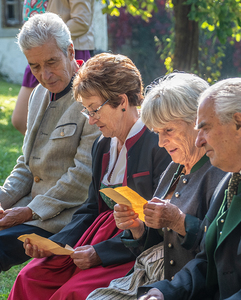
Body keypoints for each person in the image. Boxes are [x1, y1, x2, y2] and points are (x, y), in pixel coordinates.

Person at [8, 53, 171, 300]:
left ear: (122, 101)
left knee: (72, 293)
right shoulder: (102, 146)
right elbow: (89, 209)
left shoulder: (157, 145)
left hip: (130, 248)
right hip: (90, 238)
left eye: (94, 110)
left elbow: (157, 227)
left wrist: (100, 253)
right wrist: (55, 245)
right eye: (87, 111)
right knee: (30, 278)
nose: (92, 120)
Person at [137, 77, 241, 300]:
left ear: (239, 124)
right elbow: (208, 262)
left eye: (205, 128)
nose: (198, 141)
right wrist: (164, 293)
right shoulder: (234, 176)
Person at [86, 73, 226, 300]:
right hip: (148, 279)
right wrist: (137, 228)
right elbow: (157, 245)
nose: (161, 142)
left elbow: (220, 250)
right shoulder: (175, 168)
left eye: (168, 130)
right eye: (157, 133)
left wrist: (179, 221)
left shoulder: (220, 172)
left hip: (185, 290)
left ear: (197, 122)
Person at [0, 12, 100, 272]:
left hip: (63, 218)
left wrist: (28, 212)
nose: (45, 74)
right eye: (34, 67)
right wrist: (3, 199)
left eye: (52, 62)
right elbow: (26, 163)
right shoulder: (37, 96)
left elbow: (82, 178)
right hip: (27, 210)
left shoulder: (92, 99)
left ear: (70, 50)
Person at [12, 0, 95, 135]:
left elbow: (81, 21)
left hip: (58, 49)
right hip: (37, 52)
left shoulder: (63, 51)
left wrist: (48, 40)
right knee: (20, 119)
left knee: (75, 124)